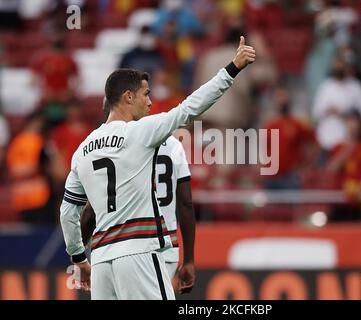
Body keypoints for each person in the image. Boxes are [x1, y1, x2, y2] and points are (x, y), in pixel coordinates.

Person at [59, 36, 255, 299]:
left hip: (102, 259)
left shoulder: (83, 149)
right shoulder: (140, 132)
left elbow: (68, 212)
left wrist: (79, 257)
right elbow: (189, 109)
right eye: (145, 95)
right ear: (128, 97)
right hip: (139, 252)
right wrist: (232, 69)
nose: (150, 103)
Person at [80, 135, 196, 294]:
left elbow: (92, 208)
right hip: (164, 246)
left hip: (121, 242)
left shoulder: (118, 142)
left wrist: (78, 256)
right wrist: (189, 259)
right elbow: (186, 203)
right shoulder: (173, 144)